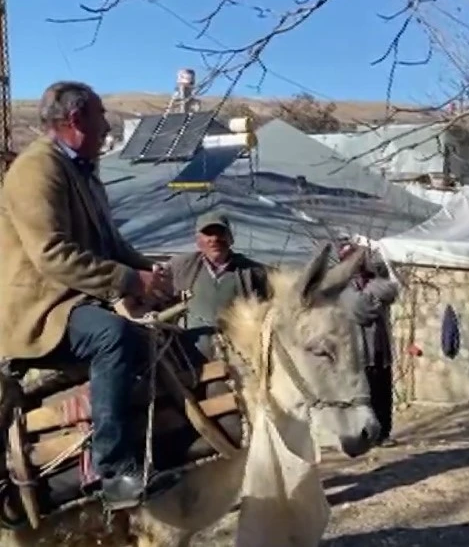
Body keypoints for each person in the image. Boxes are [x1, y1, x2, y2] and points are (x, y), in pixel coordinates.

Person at [0, 81, 179, 510]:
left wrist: (149, 274)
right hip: (40, 307)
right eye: (101, 116)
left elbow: (111, 244)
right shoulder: (36, 169)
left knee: (159, 334)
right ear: (76, 120)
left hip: (73, 299)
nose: (107, 125)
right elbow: (52, 255)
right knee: (112, 336)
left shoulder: (84, 171)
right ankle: (113, 471)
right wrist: (129, 283)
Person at [168, 211, 270, 359]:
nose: (214, 239)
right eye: (208, 234)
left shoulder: (253, 273)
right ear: (198, 240)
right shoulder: (182, 267)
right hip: (191, 352)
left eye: (220, 233)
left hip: (238, 353)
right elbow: (154, 286)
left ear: (231, 238)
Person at [336, 234, 398, 446]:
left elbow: (391, 290)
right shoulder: (341, 287)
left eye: (359, 258)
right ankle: (363, 436)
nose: (357, 263)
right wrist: (375, 297)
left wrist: (370, 293)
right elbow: (359, 310)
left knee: (383, 392)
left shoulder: (373, 280)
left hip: (380, 347)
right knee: (364, 395)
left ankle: (384, 434)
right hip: (359, 350)